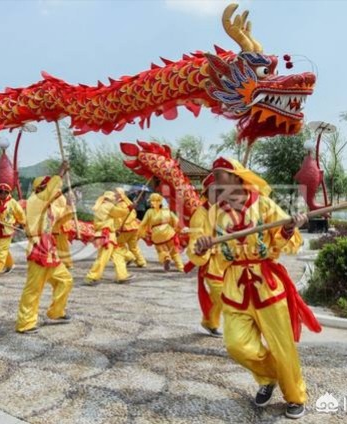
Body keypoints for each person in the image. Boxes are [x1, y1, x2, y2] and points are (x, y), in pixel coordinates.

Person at [192, 157, 321, 420]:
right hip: (234, 286)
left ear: (236, 177)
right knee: (237, 345)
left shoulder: (262, 204)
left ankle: (295, 396)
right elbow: (197, 249)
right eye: (214, 175)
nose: (215, 179)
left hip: (267, 284)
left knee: (282, 345)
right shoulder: (213, 213)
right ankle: (269, 376)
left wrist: (288, 227)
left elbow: (283, 242)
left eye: (220, 174)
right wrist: (201, 245)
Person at [16, 162, 73, 334]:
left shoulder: (47, 206)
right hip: (38, 249)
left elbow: (60, 220)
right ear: (40, 189)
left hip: (50, 250)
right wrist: (60, 173)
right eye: (48, 186)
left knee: (65, 280)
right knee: (33, 289)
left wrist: (70, 205)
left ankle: (56, 312)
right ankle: (25, 323)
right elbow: (51, 191)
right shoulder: (35, 201)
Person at [186, 173, 225, 338]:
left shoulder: (226, 210)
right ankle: (212, 322)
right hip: (211, 262)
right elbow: (195, 240)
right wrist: (203, 248)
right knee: (222, 294)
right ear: (207, 192)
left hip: (228, 260)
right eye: (215, 190)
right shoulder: (200, 214)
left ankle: (210, 322)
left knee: (229, 295)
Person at [85, 191, 133, 285]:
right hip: (106, 235)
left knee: (117, 255)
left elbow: (111, 219)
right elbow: (119, 213)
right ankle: (92, 276)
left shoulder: (101, 206)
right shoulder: (108, 206)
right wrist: (129, 208)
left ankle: (122, 276)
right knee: (103, 258)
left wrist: (115, 230)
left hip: (108, 234)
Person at [138, 193, 184, 272]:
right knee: (174, 250)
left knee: (161, 250)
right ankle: (180, 266)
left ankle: (166, 258)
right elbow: (176, 221)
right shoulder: (167, 211)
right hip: (168, 231)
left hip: (156, 234)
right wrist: (178, 230)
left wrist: (142, 233)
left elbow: (143, 223)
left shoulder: (149, 212)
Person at [115, 188, 147, 268]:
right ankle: (141, 262)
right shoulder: (128, 203)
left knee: (118, 244)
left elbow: (118, 219)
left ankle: (129, 257)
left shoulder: (119, 205)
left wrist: (117, 229)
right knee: (134, 247)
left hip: (125, 228)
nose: (114, 195)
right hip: (134, 227)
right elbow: (134, 214)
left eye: (115, 193)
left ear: (119, 195)